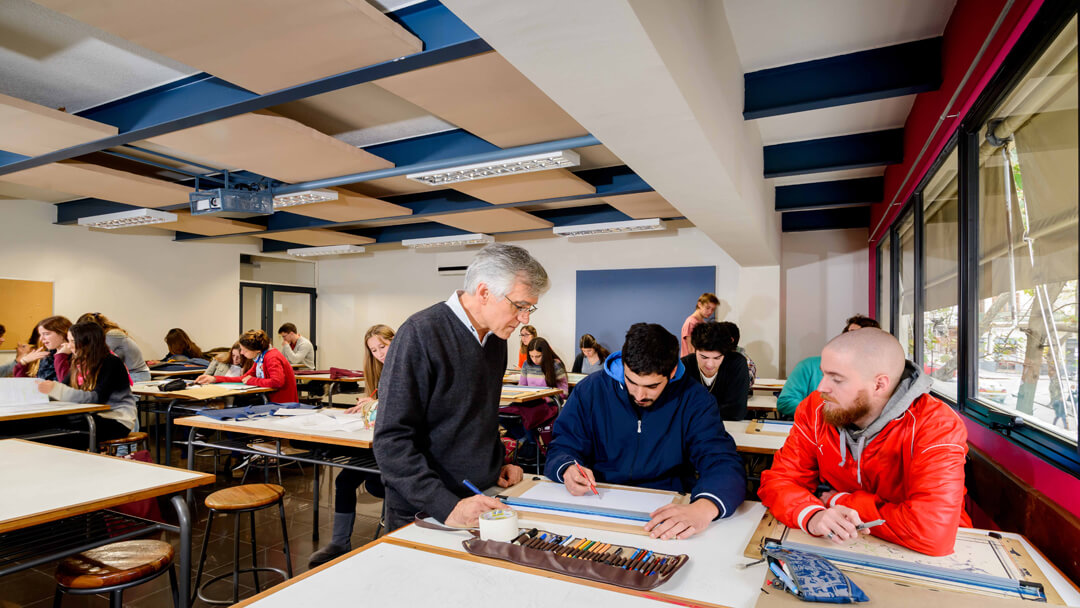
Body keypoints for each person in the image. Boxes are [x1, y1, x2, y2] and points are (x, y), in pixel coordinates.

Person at [374, 244, 549, 531]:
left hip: (483, 495)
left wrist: (496, 464)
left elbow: (479, 415)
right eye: (519, 306)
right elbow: (391, 440)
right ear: (484, 293)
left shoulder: (495, 340)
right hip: (425, 507)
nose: (525, 318)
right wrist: (446, 506)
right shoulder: (420, 333)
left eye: (529, 308)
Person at [758, 328, 969, 556]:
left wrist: (842, 500)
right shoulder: (816, 408)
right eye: (824, 374)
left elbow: (932, 533)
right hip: (849, 542)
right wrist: (811, 514)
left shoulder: (936, 424)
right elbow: (779, 480)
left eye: (837, 379)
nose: (821, 388)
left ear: (879, 385)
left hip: (928, 555)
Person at [545, 323, 746, 540]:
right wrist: (567, 468)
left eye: (652, 386)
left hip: (667, 505)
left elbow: (722, 462)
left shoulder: (695, 399)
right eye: (631, 382)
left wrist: (705, 507)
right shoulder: (591, 390)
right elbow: (563, 444)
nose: (640, 395)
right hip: (598, 500)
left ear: (671, 373)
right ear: (623, 364)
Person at [308, 324, 394, 567]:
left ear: (394, 341)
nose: (379, 354)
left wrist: (378, 404)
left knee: (379, 485)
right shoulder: (381, 370)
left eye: (383, 346)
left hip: (399, 446)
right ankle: (339, 543)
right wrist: (371, 404)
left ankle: (395, 541)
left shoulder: (408, 366)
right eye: (374, 350)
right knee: (344, 481)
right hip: (378, 441)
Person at [36, 321, 137, 441]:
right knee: (38, 424)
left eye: (73, 341)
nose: (69, 346)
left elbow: (96, 399)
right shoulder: (78, 362)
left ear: (88, 342)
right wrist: (43, 394)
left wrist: (56, 389)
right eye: (69, 341)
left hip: (115, 419)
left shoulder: (111, 362)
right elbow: (64, 389)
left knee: (54, 435)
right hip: (89, 416)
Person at [777, 314, 882, 417]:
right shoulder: (808, 366)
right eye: (849, 334)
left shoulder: (877, 375)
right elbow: (785, 402)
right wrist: (826, 412)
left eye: (860, 336)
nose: (852, 340)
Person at [194, 329, 297, 403]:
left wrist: (251, 380)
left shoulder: (271, 357)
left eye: (245, 350)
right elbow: (243, 378)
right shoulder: (260, 356)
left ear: (256, 350)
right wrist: (214, 378)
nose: (242, 353)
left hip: (283, 403)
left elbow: (277, 382)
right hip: (273, 400)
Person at [681, 322, 750, 421]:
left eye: (717, 358)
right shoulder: (685, 365)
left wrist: (694, 410)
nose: (710, 364)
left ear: (725, 353)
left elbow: (736, 412)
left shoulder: (736, 363)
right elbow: (678, 408)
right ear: (694, 350)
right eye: (704, 357)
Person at [503, 337, 567, 443]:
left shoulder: (555, 365)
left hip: (547, 403)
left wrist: (545, 397)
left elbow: (563, 391)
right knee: (501, 415)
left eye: (538, 356)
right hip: (528, 402)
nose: (534, 360)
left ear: (545, 354)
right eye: (531, 356)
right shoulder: (526, 364)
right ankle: (525, 440)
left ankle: (532, 444)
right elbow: (522, 387)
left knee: (528, 418)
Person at [77, 313, 151, 382]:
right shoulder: (107, 334)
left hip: (136, 375)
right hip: (129, 374)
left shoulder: (111, 335)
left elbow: (99, 358)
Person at [14, 316, 72, 380]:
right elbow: (22, 385)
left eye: (46, 334)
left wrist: (61, 357)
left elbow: (65, 384)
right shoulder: (47, 355)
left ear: (63, 334)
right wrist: (23, 363)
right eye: (40, 335)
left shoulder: (75, 357)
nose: (41, 339)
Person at [718, 321, 756, 385]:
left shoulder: (748, 363)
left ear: (731, 340)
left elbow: (742, 385)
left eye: (718, 337)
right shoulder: (715, 357)